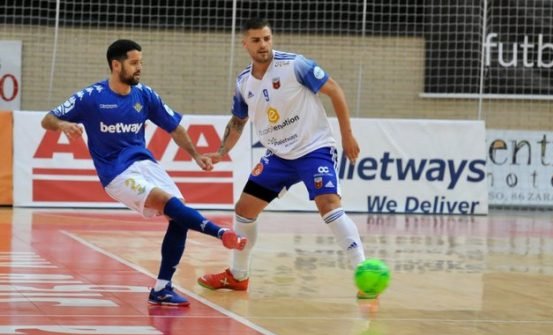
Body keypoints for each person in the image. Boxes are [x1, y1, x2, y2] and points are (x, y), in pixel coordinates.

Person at [41, 39, 247, 307]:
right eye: (134, 62)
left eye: (141, 62)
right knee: (166, 201)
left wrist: (196, 155)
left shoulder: (145, 95)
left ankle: (162, 288)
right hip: (116, 173)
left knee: (179, 215)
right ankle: (220, 233)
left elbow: (175, 128)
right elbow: (48, 118)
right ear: (116, 65)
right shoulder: (91, 97)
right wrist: (64, 125)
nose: (140, 67)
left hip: (146, 165)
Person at [197, 18, 373, 299]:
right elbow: (238, 121)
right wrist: (221, 152)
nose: (263, 45)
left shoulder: (295, 65)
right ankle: (238, 276)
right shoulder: (244, 82)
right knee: (244, 209)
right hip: (278, 156)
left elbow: (335, 90)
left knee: (328, 205)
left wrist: (347, 136)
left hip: (313, 149)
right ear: (245, 44)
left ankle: (363, 272)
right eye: (256, 40)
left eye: (266, 38)